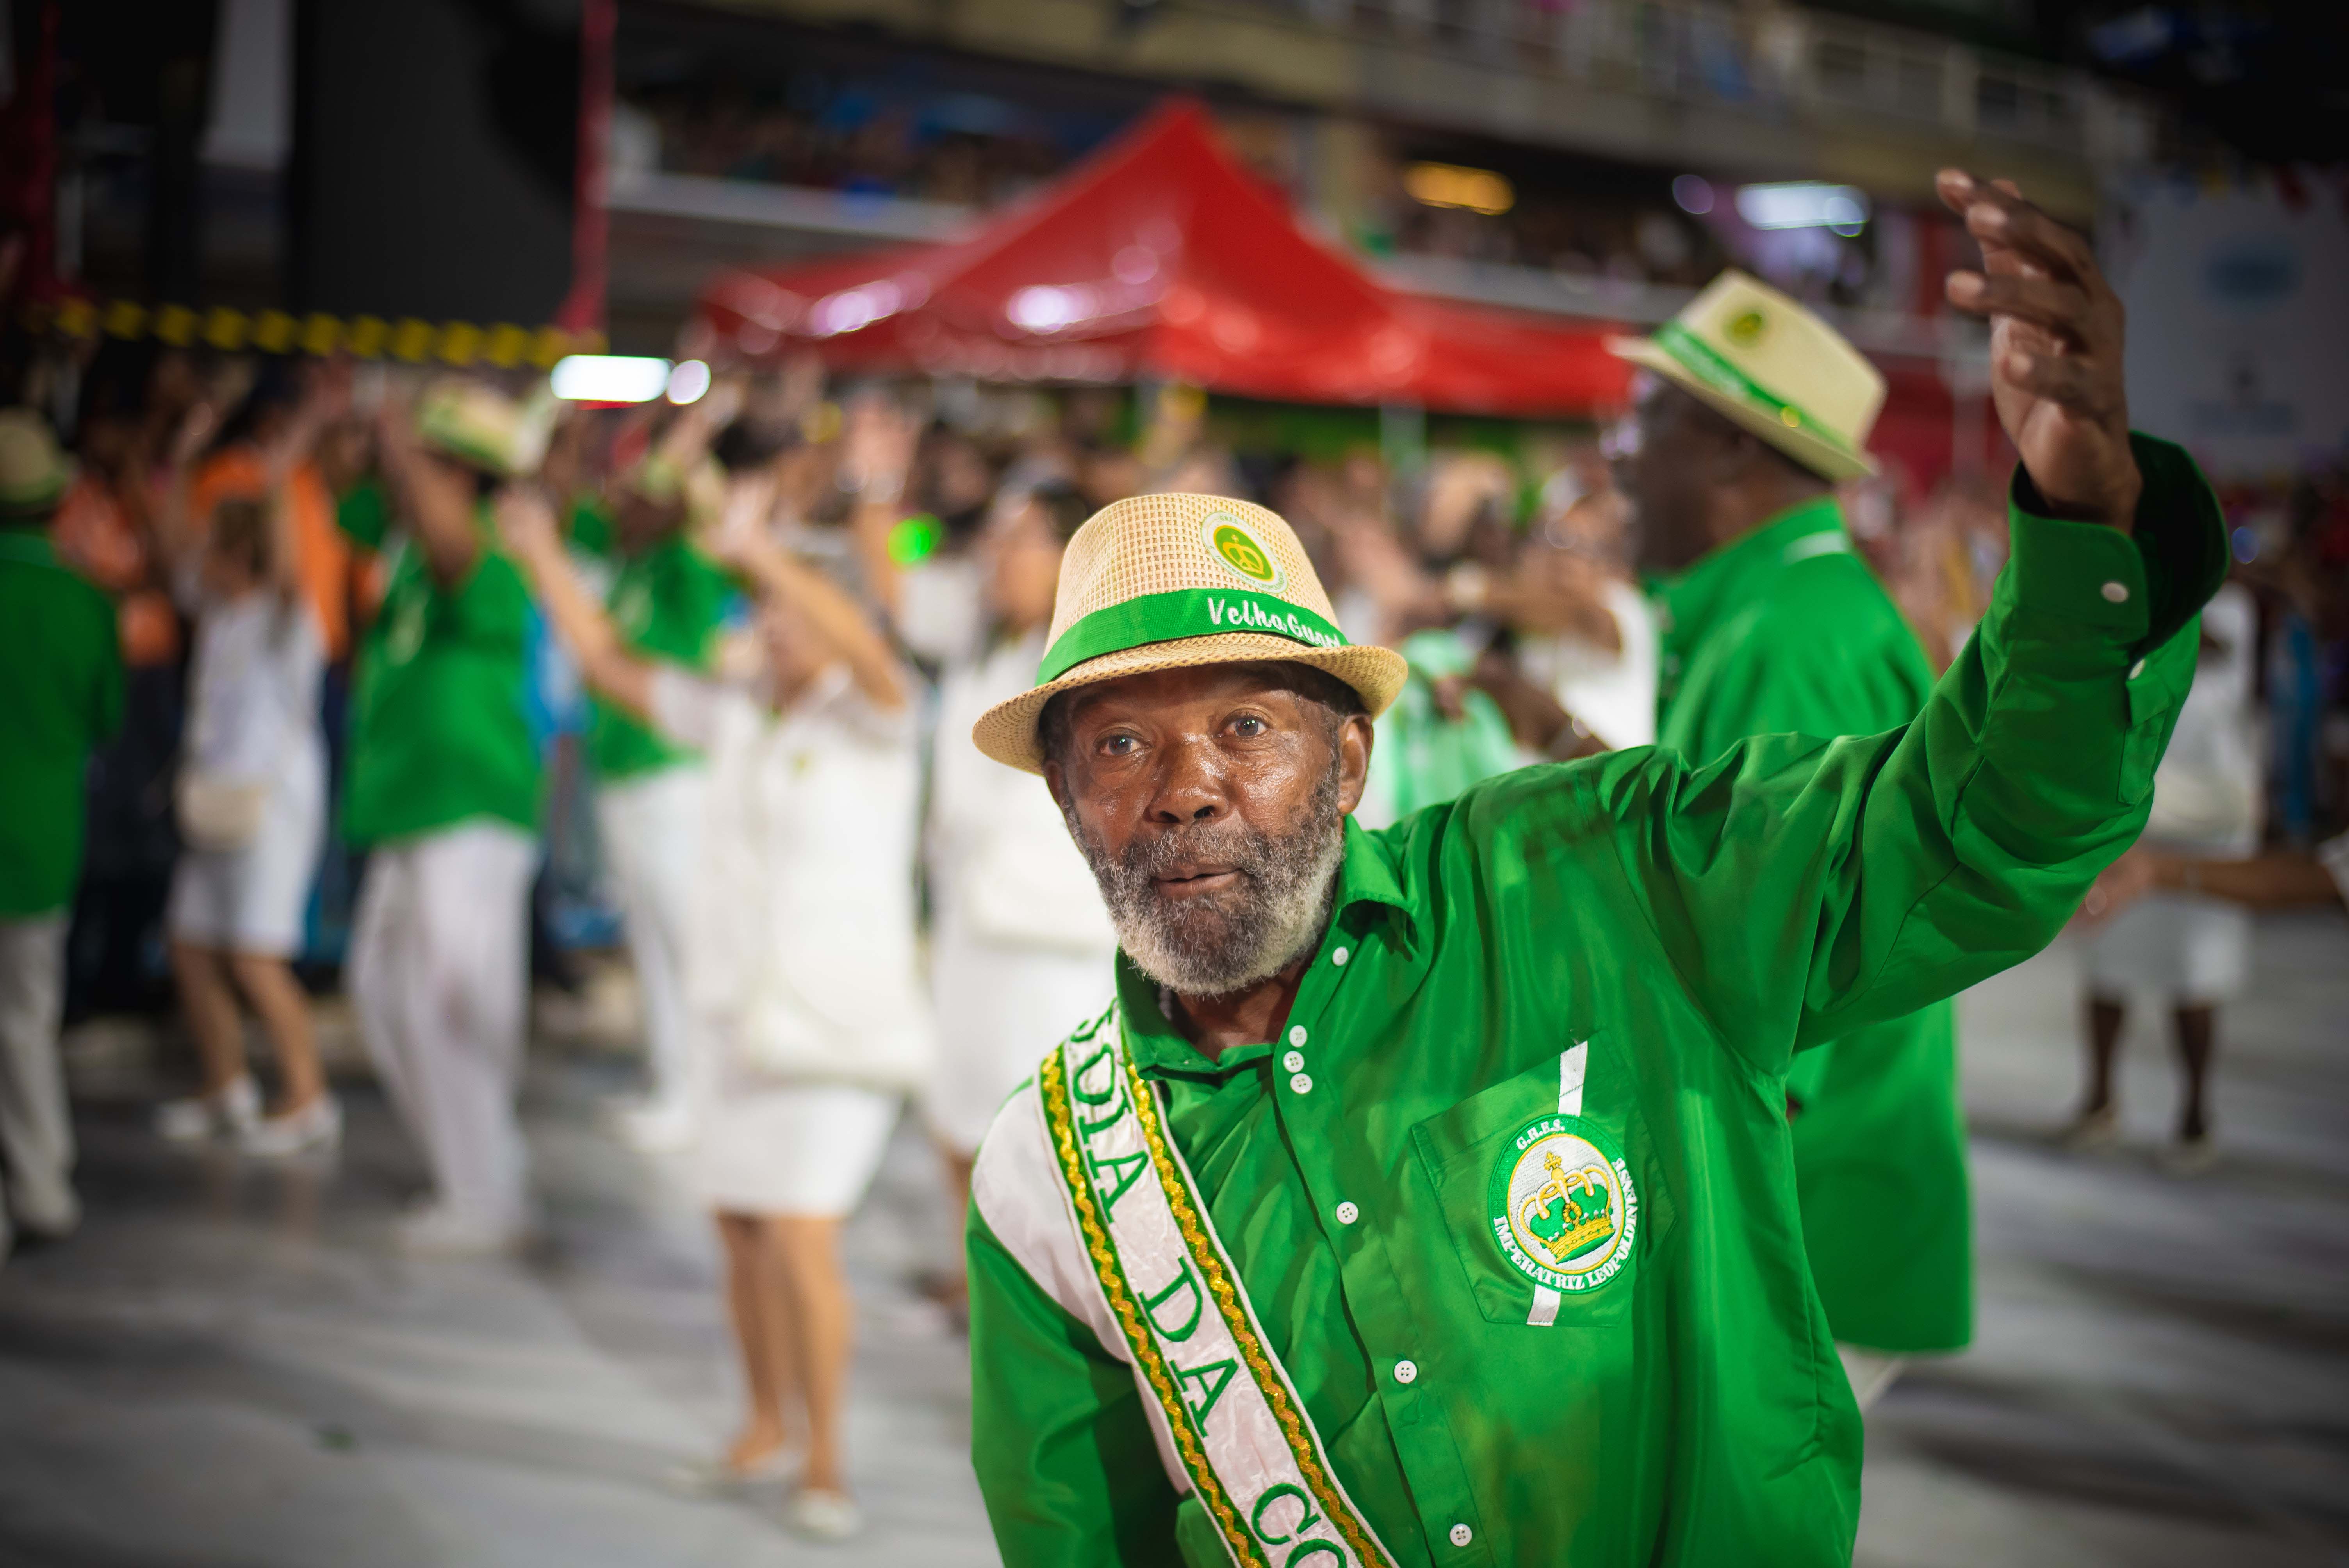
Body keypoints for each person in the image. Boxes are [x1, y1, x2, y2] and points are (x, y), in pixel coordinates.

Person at [957, 172, 2226, 1567]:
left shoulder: (1596, 875)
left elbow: (1971, 826)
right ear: (1067, 798)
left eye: (1246, 726)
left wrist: (2083, 520)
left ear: (1351, 761)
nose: (1185, 786)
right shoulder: (1047, 1176)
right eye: (1121, 741)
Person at [503, 475, 929, 1541]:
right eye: (764, 613)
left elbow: (869, 653)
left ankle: (827, 1464)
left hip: (838, 1031)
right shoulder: (737, 712)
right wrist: (538, 552)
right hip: (740, 1015)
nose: (769, 628)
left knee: (798, 1233)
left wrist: (764, 551)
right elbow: (607, 666)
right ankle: (760, 1429)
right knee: (739, 1230)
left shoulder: (881, 717)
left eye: (787, 613)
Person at [1604, 268, 1966, 1406]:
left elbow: (1777, 962)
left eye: (1648, 417)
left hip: (1797, 1205)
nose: (1620, 451)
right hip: (1791, 1193)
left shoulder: (1797, 634)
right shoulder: (1769, 611)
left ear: (1726, 454)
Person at [338, 380, 549, 1254]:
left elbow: (452, 536)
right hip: (413, 802)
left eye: (429, 457)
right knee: (381, 989)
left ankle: (486, 1198)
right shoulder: (411, 548)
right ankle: (477, 1165)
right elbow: (344, 506)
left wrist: (402, 438)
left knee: (450, 1000)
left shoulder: (490, 548)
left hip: (470, 803)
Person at [919, 482, 1116, 1313]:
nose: (998, 559)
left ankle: (1048, 1306)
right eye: (994, 539)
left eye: (1020, 540)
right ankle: (977, 1280)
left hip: (1054, 940)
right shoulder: (986, 650)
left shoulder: (1095, 665)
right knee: (959, 1111)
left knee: (1045, 1141)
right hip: (972, 919)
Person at [150, 494, 335, 1154]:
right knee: (192, 945)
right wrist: (180, 454)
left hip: (273, 807)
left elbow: (286, 570)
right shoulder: (222, 613)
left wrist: (285, 474)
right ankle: (226, 1086)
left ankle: (308, 1097)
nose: (204, 559)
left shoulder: (288, 619)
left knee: (257, 957)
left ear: (243, 553)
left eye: (217, 547)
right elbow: (170, 550)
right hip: (213, 799)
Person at [572, 427, 736, 1151]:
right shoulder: (628, 567)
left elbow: (699, 525)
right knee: (650, 938)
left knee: (686, 940)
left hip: (674, 777)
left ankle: (703, 1096)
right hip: (624, 775)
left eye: (644, 494)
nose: (626, 502)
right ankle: (673, 1083)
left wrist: (688, 441)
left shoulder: (685, 566)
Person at [2070, 582, 2262, 1172]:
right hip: (2131, 803)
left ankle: (2195, 1116)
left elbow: (2213, 651)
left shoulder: (2230, 605)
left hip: (2206, 822)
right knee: (2106, 964)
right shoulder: (2126, 595)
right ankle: (2100, 1100)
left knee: (2194, 978)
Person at [0, 410, 123, 1261]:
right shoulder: (84, 602)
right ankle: (43, 1182)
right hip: (43, 840)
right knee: (28, 1017)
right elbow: (107, 718)